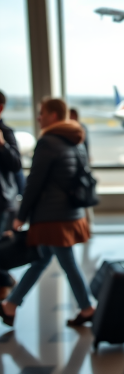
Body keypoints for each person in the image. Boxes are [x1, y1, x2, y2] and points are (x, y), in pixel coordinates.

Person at [0, 98, 94, 327]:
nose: (39, 117)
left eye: (41, 113)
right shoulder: (75, 139)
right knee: (42, 259)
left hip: (53, 218)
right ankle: (10, 305)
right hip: (69, 213)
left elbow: (34, 183)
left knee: (66, 262)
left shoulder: (48, 142)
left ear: (53, 115)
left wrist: (21, 216)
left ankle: (87, 307)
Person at [0, 91, 22, 299]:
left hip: (2, 200)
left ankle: (5, 281)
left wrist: (2, 146)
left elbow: (16, 165)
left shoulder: (5, 132)